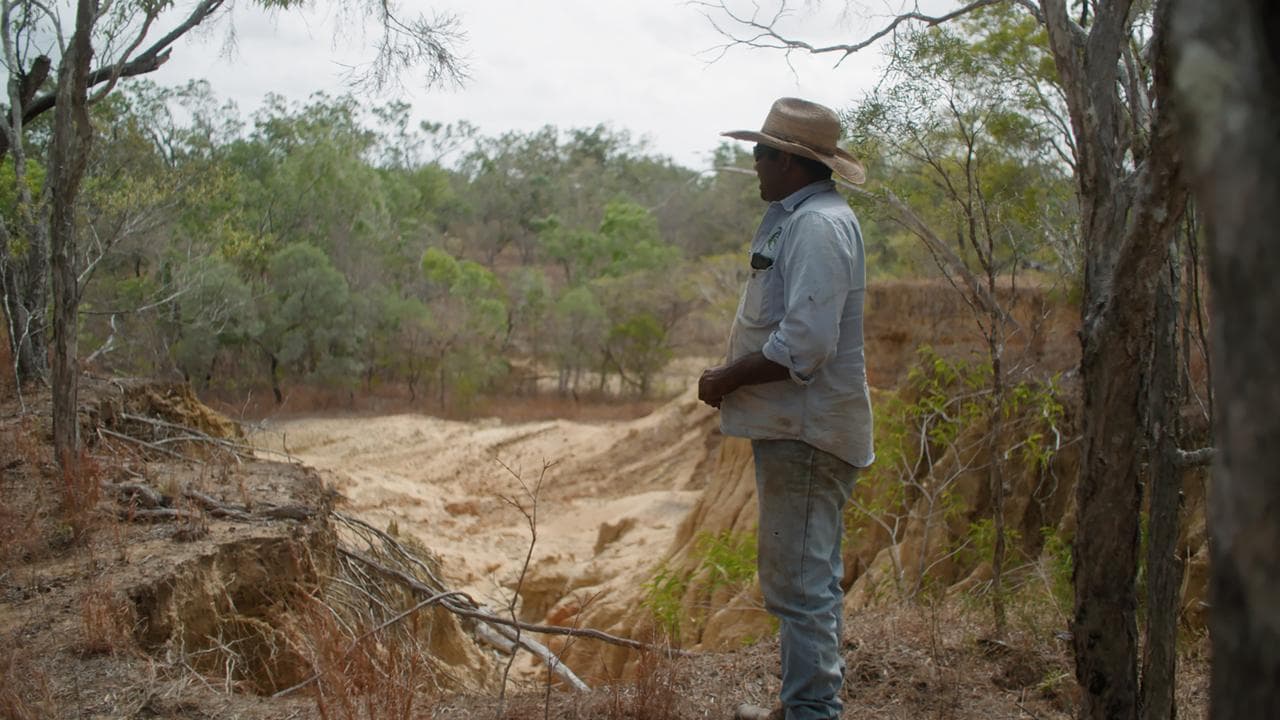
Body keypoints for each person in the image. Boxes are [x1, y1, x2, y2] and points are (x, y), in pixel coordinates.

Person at [698, 97, 874, 720]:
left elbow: (806, 344)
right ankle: (806, 703)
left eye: (761, 152)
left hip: (807, 432)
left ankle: (811, 711)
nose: (754, 162)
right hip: (803, 428)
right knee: (809, 575)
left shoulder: (817, 226)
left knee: (798, 584)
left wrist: (728, 377)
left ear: (791, 162)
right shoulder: (801, 218)